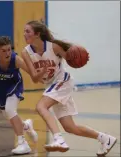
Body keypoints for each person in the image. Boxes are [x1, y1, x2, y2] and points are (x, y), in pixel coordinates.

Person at [21, 20, 117, 156]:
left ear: (37, 34)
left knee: (41, 107)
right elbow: (35, 79)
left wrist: (78, 58)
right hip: (51, 85)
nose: (24, 34)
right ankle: (105, 139)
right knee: (70, 127)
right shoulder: (26, 52)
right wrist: (42, 71)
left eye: (27, 31)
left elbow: (72, 59)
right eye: (24, 31)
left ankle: (58, 139)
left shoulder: (54, 47)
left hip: (62, 81)